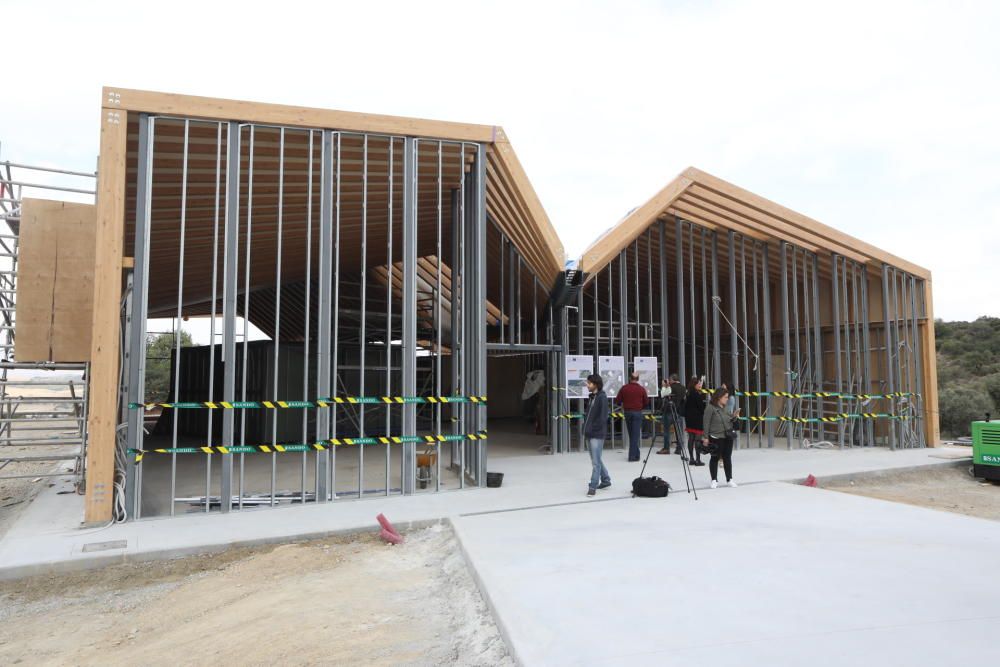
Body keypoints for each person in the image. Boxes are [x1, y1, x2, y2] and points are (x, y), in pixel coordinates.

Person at [702, 387, 739, 488]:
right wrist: (705, 437)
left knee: (727, 457)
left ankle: (729, 479)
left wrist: (734, 416)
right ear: (719, 397)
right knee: (715, 458)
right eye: (725, 397)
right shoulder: (710, 408)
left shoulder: (726, 407)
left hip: (727, 436)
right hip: (715, 436)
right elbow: (706, 423)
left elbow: (729, 418)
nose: (727, 399)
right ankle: (714, 479)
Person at [582, 374, 611, 496]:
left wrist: (593, 429)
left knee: (595, 462)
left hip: (596, 434)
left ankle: (592, 486)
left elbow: (603, 417)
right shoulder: (592, 397)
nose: (587, 385)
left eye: (589, 383)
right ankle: (606, 480)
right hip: (589, 432)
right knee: (596, 459)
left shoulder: (602, 398)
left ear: (596, 384)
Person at [615, 371, 649, 462]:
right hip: (637, 412)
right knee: (635, 435)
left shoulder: (624, 388)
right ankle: (632, 456)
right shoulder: (641, 389)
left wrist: (623, 403)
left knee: (632, 434)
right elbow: (646, 402)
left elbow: (617, 401)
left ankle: (636, 454)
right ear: (637, 379)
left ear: (630, 378)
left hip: (627, 412)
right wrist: (640, 406)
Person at [657, 374, 686, 455]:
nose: (668, 381)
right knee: (678, 431)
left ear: (672, 379)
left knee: (666, 431)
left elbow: (663, 394)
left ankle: (666, 448)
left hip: (669, 411)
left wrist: (664, 386)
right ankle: (679, 448)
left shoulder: (671, 387)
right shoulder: (683, 388)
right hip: (679, 412)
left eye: (669, 380)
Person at [682, 375, 706, 466]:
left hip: (689, 419)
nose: (699, 385)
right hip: (697, 419)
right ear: (694, 385)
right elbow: (701, 408)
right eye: (698, 384)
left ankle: (691, 459)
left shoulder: (688, 394)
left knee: (691, 438)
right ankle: (698, 460)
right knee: (698, 439)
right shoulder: (697, 394)